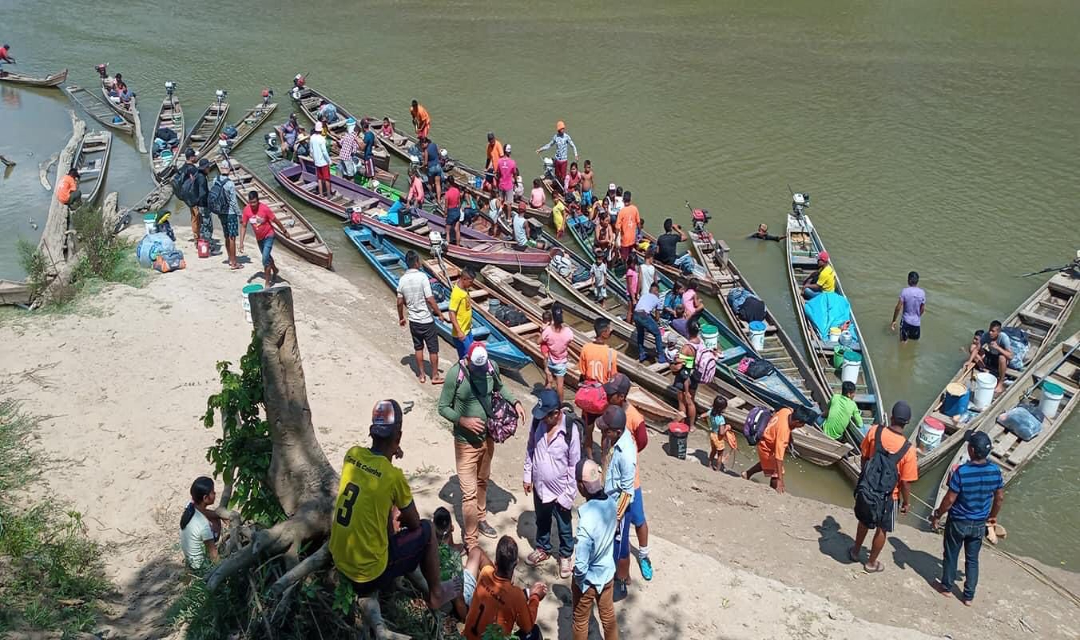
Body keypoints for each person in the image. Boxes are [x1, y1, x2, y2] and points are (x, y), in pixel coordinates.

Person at [329, 400, 457, 611]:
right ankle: (436, 593)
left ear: (372, 432)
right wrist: (403, 518)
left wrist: (390, 451)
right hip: (367, 575)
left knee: (385, 506)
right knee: (426, 529)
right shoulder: (393, 476)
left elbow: (375, 478)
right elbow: (415, 523)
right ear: (398, 436)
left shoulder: (352, 455)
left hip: (340, 558)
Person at [438, 344, 526, 551]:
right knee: (468, 494)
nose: (480, 371)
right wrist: (462, 420)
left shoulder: (490, 367)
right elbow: (442, 407)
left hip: (487, 439)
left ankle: (481, 517)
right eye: (476, 368)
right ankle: (471, 541)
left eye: (482, 367)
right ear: (467, 360)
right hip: (465, 443)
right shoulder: (455, 374)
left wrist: (515, 402)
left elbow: (499, 386)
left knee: (482, 481)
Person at [931, 431, 1004, 606]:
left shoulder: (962, 472)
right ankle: (968, 596)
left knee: (951, 554)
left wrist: (937, 515)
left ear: (971, 450)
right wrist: (992, 517)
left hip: (958, 521)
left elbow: (949, 500)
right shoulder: (995, 471)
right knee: (972, 559)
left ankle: (946, 587)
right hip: (979, 524)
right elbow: (999, 497)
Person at [849, 401, 918, 574]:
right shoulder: (908, 450)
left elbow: (864, 456)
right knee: (882, 529)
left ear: (891, 416)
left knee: (863, 522)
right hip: (890, 497)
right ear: (907, 422)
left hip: (868, 488)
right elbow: (905, 482)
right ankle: (871, 563)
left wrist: (864, 479)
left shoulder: (875, 431)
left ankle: (855, 552)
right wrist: (906, 503)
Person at [523, 389, 580, 577]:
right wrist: (527, 475)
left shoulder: (570, 431)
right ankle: (543, 548)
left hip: (560, 491)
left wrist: (568, 494)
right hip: (540, 487)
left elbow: (574, 465)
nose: (542, 419)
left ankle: (565, 556)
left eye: (546, 416)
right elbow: (530, 448)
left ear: (556, 413)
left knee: (564, 526)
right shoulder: (538, 421)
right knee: (542, 520)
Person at [603, 375, 654, 584]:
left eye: (611, 394)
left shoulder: (634, 417)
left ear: (621, 396)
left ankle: (643, 555)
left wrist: (627, 456)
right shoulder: (609, 412)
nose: (606, 396)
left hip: (630, 482)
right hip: (611, 478)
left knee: (638, 520)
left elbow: (642, 442)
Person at [464, 535, 546, 640]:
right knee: (534, 632)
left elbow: (479, 553)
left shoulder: (485, 573)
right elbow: (527, 627)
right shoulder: (516, 595)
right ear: (516, 562)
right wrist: (535, 597)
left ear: (495, 562)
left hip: (467, 637)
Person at [572, 459, 619, 640]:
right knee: (608, 617)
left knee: (580, 620)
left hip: (589, 580)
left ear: (581, 486)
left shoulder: (586, 516)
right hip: (607, 574)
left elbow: (582, 560)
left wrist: (579, 580)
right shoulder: (612, 504)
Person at [597, 405, 637, 602]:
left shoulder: (627, 455)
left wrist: (615, 518)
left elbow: (627, 494)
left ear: (617, 431)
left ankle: (617, 584)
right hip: (609, 499)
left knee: (617, 546)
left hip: (618, 507)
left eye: (607, 430)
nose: (604, 432)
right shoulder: (616, 439)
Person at [397, 250, 447, 385]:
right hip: (426, 320)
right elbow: (430, 299)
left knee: (418, 348)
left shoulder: (402, 280)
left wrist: (401, 317)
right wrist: (440, 314)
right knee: (433, 349)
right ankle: (435, 376)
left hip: (414, 321)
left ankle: (422, 375)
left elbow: (399, 302)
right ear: (417, 262)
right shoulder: (422, 277)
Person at [741, 407, 813, 493]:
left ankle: (747, 474)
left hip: (768, 436)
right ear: (797, 422)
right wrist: (780, 480)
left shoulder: (786, 411)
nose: (802, 426)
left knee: (767, 463)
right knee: (776, 472)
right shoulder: (783, 433)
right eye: (802, 424)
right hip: (766, 446)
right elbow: (779, 458)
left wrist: (790, 438)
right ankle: (775, 491)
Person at [578, 317, 618, 460]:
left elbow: (582, 373)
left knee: (588, 429)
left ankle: (589, 457)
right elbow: (612, 377)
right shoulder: (611, 353)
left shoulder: (586, 348)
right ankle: (603, 457)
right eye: (609, 330)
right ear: (604, 332)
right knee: (605, 430)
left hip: (589, 393)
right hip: (603, 397)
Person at [239, 189, 290, 285]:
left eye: (254, 202)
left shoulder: (265, 208)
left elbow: (275, 220)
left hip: (269, 235)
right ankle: (275, 270)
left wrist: (284, 231)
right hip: (259, 239)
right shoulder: (246, 210)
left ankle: (267, 282)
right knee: (267, 257)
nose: (253, 205)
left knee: (265, 258)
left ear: (258, 200)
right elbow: (244, 226)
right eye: (251, 203)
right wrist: (241, 242)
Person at [180, 476, 221, 570]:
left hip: (190, 561)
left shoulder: (190, 506)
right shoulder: (203, 525)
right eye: (212, 492)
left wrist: (219, 514)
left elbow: (205, 512)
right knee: (216, 521)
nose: (215, 493)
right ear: (206, 498)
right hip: (200, 567)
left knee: (215, 517)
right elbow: (213, 554)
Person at [671, 321, 703, 428]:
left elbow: (678, 366)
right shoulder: (701, 342)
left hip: (684, 376)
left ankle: (683, 424)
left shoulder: (686, 347)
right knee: (691, 401)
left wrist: (673, 366)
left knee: (682, 402)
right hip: (695, 375)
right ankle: (692, 426)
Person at [540, 303, 574, 400]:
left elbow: (539, 341)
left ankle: (546, 401)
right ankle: (560, 405)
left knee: (548, 381)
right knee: (560, 385)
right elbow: (570, 340)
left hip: (550, 361)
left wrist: (544, 330)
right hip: (561, 363)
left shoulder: (548, 331)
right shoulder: (568, 332)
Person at [970, 320, 1014, 393]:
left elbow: (1011, 356)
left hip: (1000, 360)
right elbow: (977, 348)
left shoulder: (1004, 338)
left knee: (1002, 358)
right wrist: (969, 361)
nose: (990, 333)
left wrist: (998, 348)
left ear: (998, 332)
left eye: (993, 331)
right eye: (990, 330)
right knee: (972, 347)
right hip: (991, 356)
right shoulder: (986, 335)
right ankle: (983, 368)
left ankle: (1000, 382)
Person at [214, 164, 242, 269]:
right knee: (232, 238)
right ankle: (234, 263)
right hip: (230, 213)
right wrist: (239, 214)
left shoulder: (215, 180)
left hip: (221, 212)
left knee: (226, 235)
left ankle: (230, 259)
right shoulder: (230, 183)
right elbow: (234, 202)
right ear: (229, 170)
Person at [536, 120, 579, 186]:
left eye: (563, 128)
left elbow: (573, 146)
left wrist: (576, 154)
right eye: (561, 129)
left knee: (563, 177)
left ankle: (564, 188)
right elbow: (549, 145)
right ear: (558, 130)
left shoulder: (567, 137)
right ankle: (557, 185)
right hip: (557, 160)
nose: (563, 130)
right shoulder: (556, 137)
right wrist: (540, 149)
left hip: (564, 160)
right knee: (557, 175)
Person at [633, 282, 666, 363]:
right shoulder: (658, 300)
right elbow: (657, 318)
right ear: (657, 292)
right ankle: (661, 356)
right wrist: (655, 324)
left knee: (640, 334)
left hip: (636, 314)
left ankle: (641, 354)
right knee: (657, 334)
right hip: (644, 315)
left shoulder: (644, 295)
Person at [449, 266, 477, 359]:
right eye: (470, 282)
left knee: (471, 353)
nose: (471, 284)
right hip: (461, 333)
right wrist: (459, 332)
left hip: (467, 329)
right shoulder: (456, 294)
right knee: (466, 357)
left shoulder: (464, 288)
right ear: (464, 279)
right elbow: (451, 313)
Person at [892, 271, 926, 342]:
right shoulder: (922, 293)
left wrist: (894, 320)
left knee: (903, 343)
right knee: (913, 344)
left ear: (909, 280)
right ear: (917, 281)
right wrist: (917, 317)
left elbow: (898, 308)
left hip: (906, 322)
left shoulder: (905, 291)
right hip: (916, 324)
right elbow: (922, 309)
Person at [176, 149, 201, 238]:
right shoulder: (192, 169)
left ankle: (196, 235)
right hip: (192, 197)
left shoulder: (183, 167)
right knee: (196, 217)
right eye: (195, 156)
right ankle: (197, 238)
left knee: (193, 216)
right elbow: (194, 182)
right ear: (191, 157)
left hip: (186, 197)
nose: (196, 157)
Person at [708, 397, 736, 472]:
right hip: (718, 438)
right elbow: (721, 433)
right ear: (722, 409)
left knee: (713, 451)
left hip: (712, 435)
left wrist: (701, 417)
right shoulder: (721, 419)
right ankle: (718, 469)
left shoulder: (710, 412)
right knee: (720, 454)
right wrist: (727, 427)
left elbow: (705, 415)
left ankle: (710, 465)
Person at [614, 190, 641, 263]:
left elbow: (617, 228)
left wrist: (616, 239)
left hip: (625, 240)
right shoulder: (635, 209)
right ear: (630, 199)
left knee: (625, 258)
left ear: (623, 200)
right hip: (633, 239)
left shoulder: (621, 212)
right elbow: (639, 223)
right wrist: (639, 234)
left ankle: (627, 270)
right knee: (631, 255)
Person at [310, 122, 332, 198]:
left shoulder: (312, 137)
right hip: (323, 162)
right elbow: (324, 152)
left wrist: (314, 159)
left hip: (317, 162)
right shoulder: (321, 139)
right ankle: (329, 194)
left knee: (319, 178)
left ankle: (321, 194)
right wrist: (329, 160)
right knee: (327, 179)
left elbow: (311, 151)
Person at [193, 159, 213, 242]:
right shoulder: (202, 178)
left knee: (202, 225)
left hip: (198, 204)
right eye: (208, 167)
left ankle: (201, 244)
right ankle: (209, 246)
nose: (209, 168)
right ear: (205, 168)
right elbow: (203, 193)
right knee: (207, 226)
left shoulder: (197, 175)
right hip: (203, 206)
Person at [496, 144, 518, 215]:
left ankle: (499, 213)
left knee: (500, 200)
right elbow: (515, 174)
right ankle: (508, 218)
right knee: (509, 203)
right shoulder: (512, 162)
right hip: (509, 186)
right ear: (509, 152)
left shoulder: (499, 161)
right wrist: (516, 182)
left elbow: (498, 174)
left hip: (501, 184)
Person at [422, 136, 443, 203]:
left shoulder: (426, 151)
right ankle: (439, 200)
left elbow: (425, 163)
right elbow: (439, 153)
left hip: (431, 168)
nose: (422, 146)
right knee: (438, 184)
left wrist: (422, 167)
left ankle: (432, 197)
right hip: (438, 166)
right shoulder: (434, 144)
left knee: (430, 183)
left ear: (425, 143)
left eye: (422, 144)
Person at [443, 176, 462, 246]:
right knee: (457, 230)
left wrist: (445, 214)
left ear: (448, 183)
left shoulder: (447, 193)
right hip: (457, 211)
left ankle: (448, 247)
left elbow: (446, 207)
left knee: (447, 231)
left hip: (451, 212)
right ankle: (458, 245)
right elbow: (459, 203)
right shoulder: (457, 190)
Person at [624, 256, 639, 323]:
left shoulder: (634, 270)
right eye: (633, 263)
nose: (634, 265)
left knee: (634, 310)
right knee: (630, 310)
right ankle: (628, 323)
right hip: (630, 293)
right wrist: (633, 298)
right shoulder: (630, 271)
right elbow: (630, 286)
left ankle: (632, 322)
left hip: (634, 293)